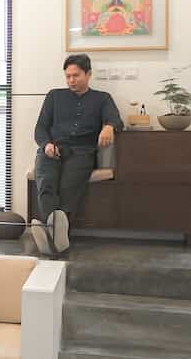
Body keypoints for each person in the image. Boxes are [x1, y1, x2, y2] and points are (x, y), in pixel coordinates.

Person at [32, 53, 123, 255]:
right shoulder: (54, 96)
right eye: (68, 76)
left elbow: (116, 120)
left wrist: (109, 126)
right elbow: (40, 129)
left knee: (67, 188)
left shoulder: (102, 99)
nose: (71, 80)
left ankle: (50, 236)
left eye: (76, 75)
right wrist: (46, 145)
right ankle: (57, 237)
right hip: (52, 149)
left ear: (88, 74)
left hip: (82, 152)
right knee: (46, 184)